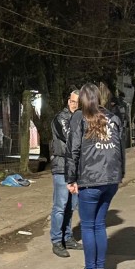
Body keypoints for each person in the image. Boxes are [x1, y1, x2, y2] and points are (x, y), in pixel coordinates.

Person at [65, 83, 124, 269]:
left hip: (90, 180)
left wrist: (70, 179)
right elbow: (120, 149)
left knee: (88, 226)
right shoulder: (113, 118)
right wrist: (120, 174)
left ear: (82, 99)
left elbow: (73, 150)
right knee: (99, 224)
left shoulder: (79, 118)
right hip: (111, 179)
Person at [49, 89, 82, 257]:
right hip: (62, 166)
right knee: (60, 205)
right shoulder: (61, 119)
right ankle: (56, 240)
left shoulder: (80, 118)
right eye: (73, 101)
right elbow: (72, 139)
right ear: (69, 101)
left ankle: (67, 237)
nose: (74, 104)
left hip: (75, 168)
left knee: (71, 205)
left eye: (78, 102)